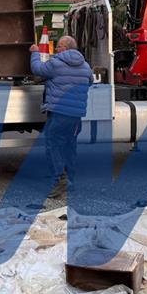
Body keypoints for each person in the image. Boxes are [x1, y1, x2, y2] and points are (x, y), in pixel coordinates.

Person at [30, 36, 93, 199]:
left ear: (65, 48)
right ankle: (70, 179)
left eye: (58, 46)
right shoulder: (86, 66)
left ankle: (59, 181)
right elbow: (90, 82)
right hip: (76, 115)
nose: (56, 49)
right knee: (70, 146)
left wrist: (35, 53)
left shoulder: (55, 64)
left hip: (59, 113)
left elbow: (37, 69)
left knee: (53, 145)